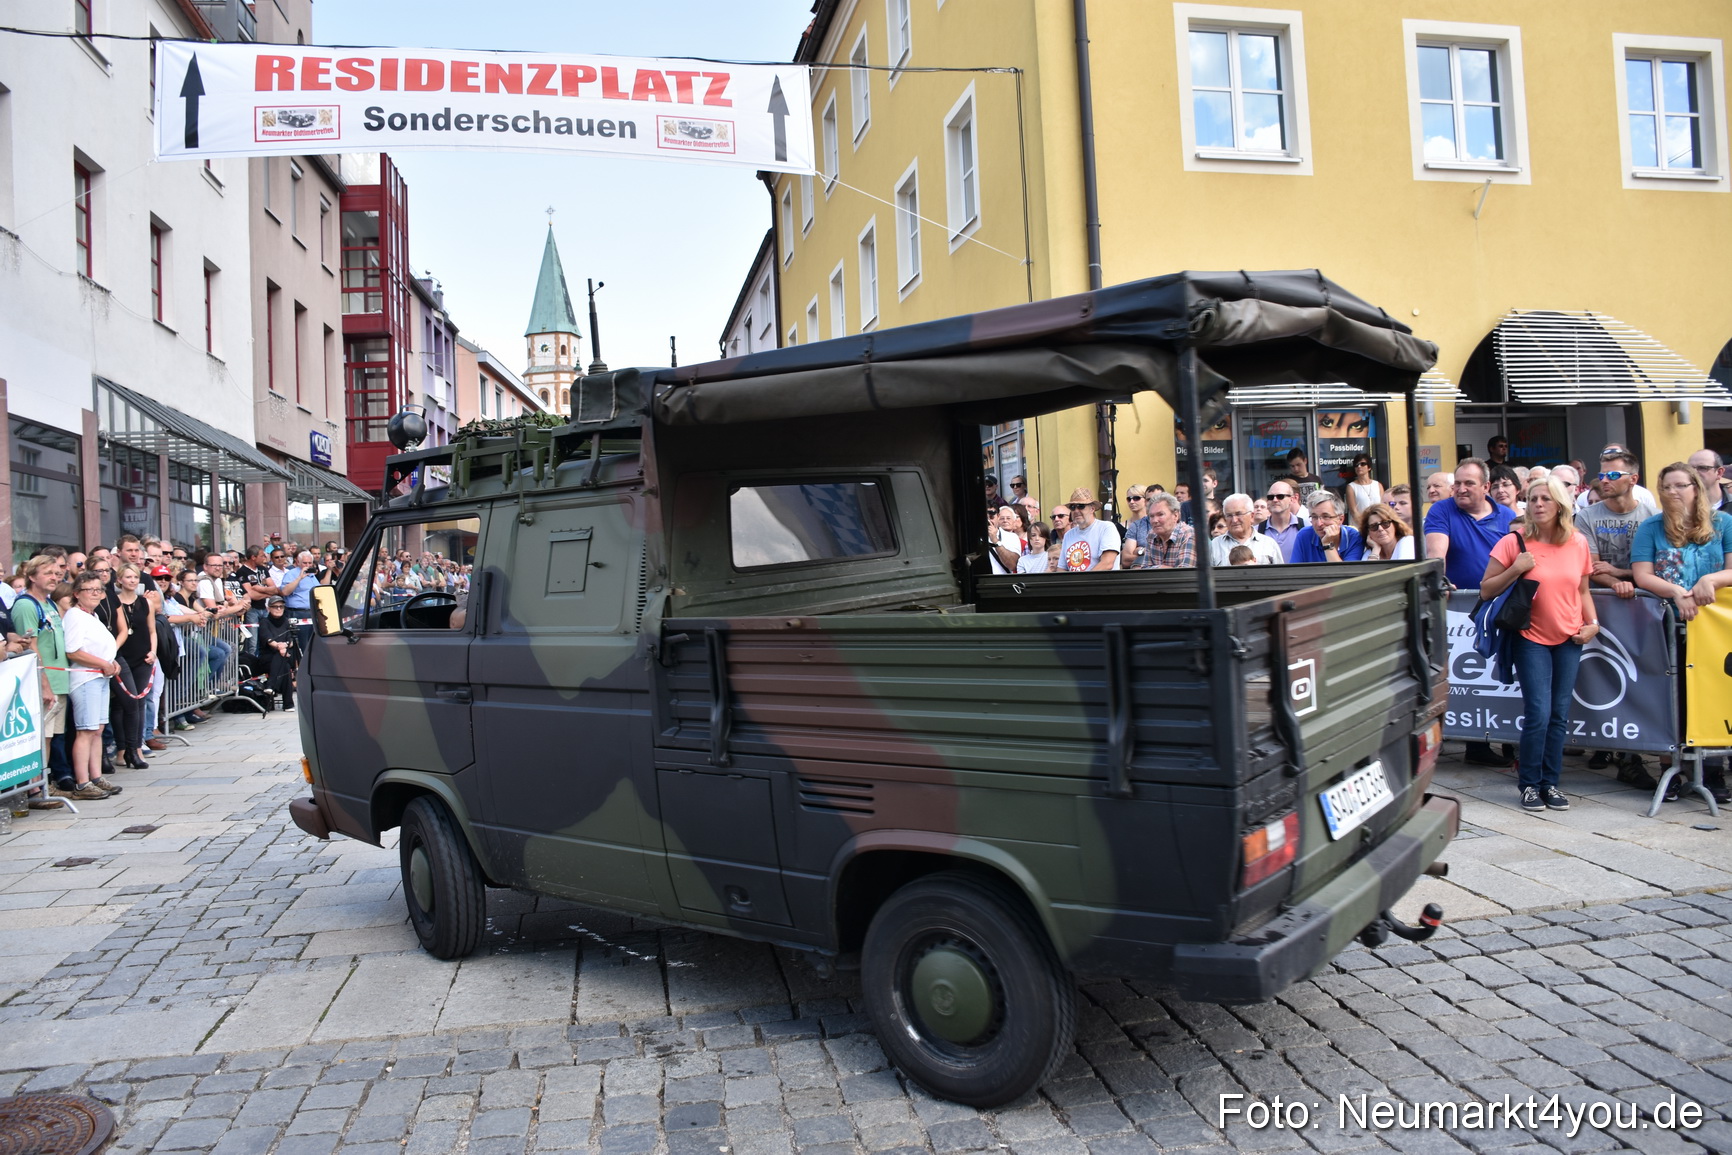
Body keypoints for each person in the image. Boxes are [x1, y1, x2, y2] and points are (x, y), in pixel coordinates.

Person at [1479, 476, 1595, 812]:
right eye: (1532, 498)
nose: (1538, 504)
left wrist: (1593, 625)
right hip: (1530, 637)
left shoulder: (1578, 542)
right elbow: (1486, 589)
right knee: (1538, 714)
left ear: (1560, 504)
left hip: (1571, 636)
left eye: (1545, 498)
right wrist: (1516, 568)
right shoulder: (1514, 542)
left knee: (1559, 714)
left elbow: (1583, 590)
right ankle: (1529, 784)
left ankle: (1551, 783)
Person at [1576, 450, 1661, 788]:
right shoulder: (1588, 516)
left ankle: (1641, 753)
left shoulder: (1651, 516)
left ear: (1632, 480)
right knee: (1612, 679)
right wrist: (1618, 583)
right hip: (1607, 607)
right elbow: (1593, 567)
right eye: (1602, 475)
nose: (1605, 481)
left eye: (1613, 475)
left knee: (1648, 679)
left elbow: (1657, 565)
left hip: (1647, 609)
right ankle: (1624, 756)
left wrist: (1625, 573)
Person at [1631, 463, 1732, 623]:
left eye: (1680, 486)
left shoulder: (1724, 522)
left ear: (1696, 489)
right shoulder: (1649, 527)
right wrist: (1675, 591)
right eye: (1666, 487)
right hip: (1668, 619)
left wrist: (1709, 580)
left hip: (1717, 617)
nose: (1671, 492)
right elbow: (1643, 575)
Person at [62, 573, 125, 800]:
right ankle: (82, 782)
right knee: (86, 730)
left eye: (99, 589)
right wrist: (102, 664)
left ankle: (96, 776)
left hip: (100, 676)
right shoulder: (75, 616)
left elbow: (101, 648)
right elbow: (74, 650)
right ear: (77, 593)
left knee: (97, 730)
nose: (96, 593)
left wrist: (111, 662)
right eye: (90, 589)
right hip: (86, 678)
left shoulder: (94, 616)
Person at [14, 556, 72, 800]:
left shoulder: (48, 603)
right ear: (31, 576)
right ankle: (35, 788)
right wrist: (44, 683)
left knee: (49, 737)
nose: (54, 577)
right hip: (43, 681)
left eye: (56, 572)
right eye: (47, 572)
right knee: (40, 737)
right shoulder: (27, 605)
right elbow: (31, 648)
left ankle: (42, 785)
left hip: (59, 679)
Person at [101, 564, 157, 771]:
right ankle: (123, 748)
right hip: (122, 655)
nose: (132, 580)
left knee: (139, 700)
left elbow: (152, 630)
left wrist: (153, 652)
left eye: (135, 577)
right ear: (120, 580)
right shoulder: (113, 602)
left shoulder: (145, 603)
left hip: (143, 656)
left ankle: (136, 747)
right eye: (128, 577)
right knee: (122, 703)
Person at [1211, 494, 1282, 565]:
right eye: (1229, 515)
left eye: (1238, 514)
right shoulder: (1215, 546)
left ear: (1251, 516)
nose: (1234, 520)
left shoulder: (1269, 544)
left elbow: (1281, 574)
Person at [1290, 491, 1361, 563]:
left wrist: (1327, 544)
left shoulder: (1354, 537)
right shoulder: (1304, 535)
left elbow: (1343, 572)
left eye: (1326, 516)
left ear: (1340, 519)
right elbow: (1294, 572)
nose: (1319, 523)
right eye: (1314, 517)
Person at [1060, 488, 1120, 571]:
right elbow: (1062, 568)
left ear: (1092, 509)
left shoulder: (1106, 528)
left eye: (1081, 506)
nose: (1076, 511)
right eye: (1073, 507)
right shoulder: (1068, 535)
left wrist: (1083, 582)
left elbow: (1107, 563)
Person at [256, 596, 299, 710]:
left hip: (284, 654)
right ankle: (288, 704)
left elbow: (292, 640)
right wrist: (279, 647)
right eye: (275, 606)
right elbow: (267, 639)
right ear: (269, 608)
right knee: (283, 663)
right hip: (267, 658)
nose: (279, 609)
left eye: (281, 606)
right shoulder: (264, 622)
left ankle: (271, 685)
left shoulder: (287, 621)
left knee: (282, 659)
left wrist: (283, 646)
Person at [1134, 492, 1194, 569]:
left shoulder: (1188, 534)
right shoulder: (1152, 535)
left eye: (1160, 514)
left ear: (1175, 515)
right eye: (1151, 516)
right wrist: (1162, 568)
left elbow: (1184, 573)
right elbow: (1145, 571)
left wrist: (1158, 568)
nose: (1155, 520)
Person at [1262, 480, 1304, 561]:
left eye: (1280, 496)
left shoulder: (1304, 526)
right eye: (1271, 497)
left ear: (1292, 499)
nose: (1275, 500)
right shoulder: (1257, 530)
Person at [1689, 450, 1732, 515]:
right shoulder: (1680, 506)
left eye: (1702, 468)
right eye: (1690, 469)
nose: (1694, 473)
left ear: (1719, 472)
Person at [1344, 454, 1384, 522]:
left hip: (1378, 525)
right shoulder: (1351, 487)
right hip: (1360, 527)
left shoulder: (1378, 485)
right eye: (1356, 465)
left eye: (1362, 464)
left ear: (1369, 467)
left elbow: (1383, 507)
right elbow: (1354, 511)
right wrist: (1366, 527)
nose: (1359, 466)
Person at [985, 508, 1021, 575]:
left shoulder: (1011, 537)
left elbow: (1012, 565)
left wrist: (995, 540)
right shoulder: (972, 537)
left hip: (1002, 581)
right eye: (985, 517)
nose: (988, 520)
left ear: (998, 516)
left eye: (991, 517)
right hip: (981, 581)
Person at [1120, 486, 1150, 566]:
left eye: (1136, 498)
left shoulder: (1155, 524)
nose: (1132, 502)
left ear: (1146, 500)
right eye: (1129, 499)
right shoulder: (1119, 527)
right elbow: (1124, 559)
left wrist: (1139, 550)